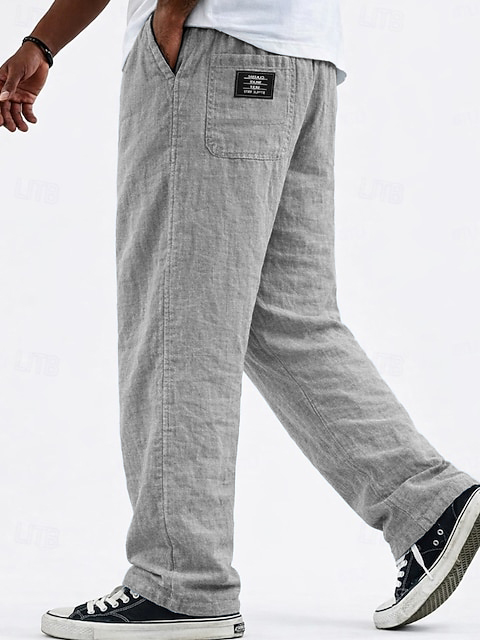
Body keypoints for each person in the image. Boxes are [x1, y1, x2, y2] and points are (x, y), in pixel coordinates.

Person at [1, 1, 479, 638]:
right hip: (302, 59)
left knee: (178, 322)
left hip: (212, 50)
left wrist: (171, 16)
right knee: (285, 318)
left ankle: (182, 583)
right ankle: (426, 502)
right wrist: (44, 41)